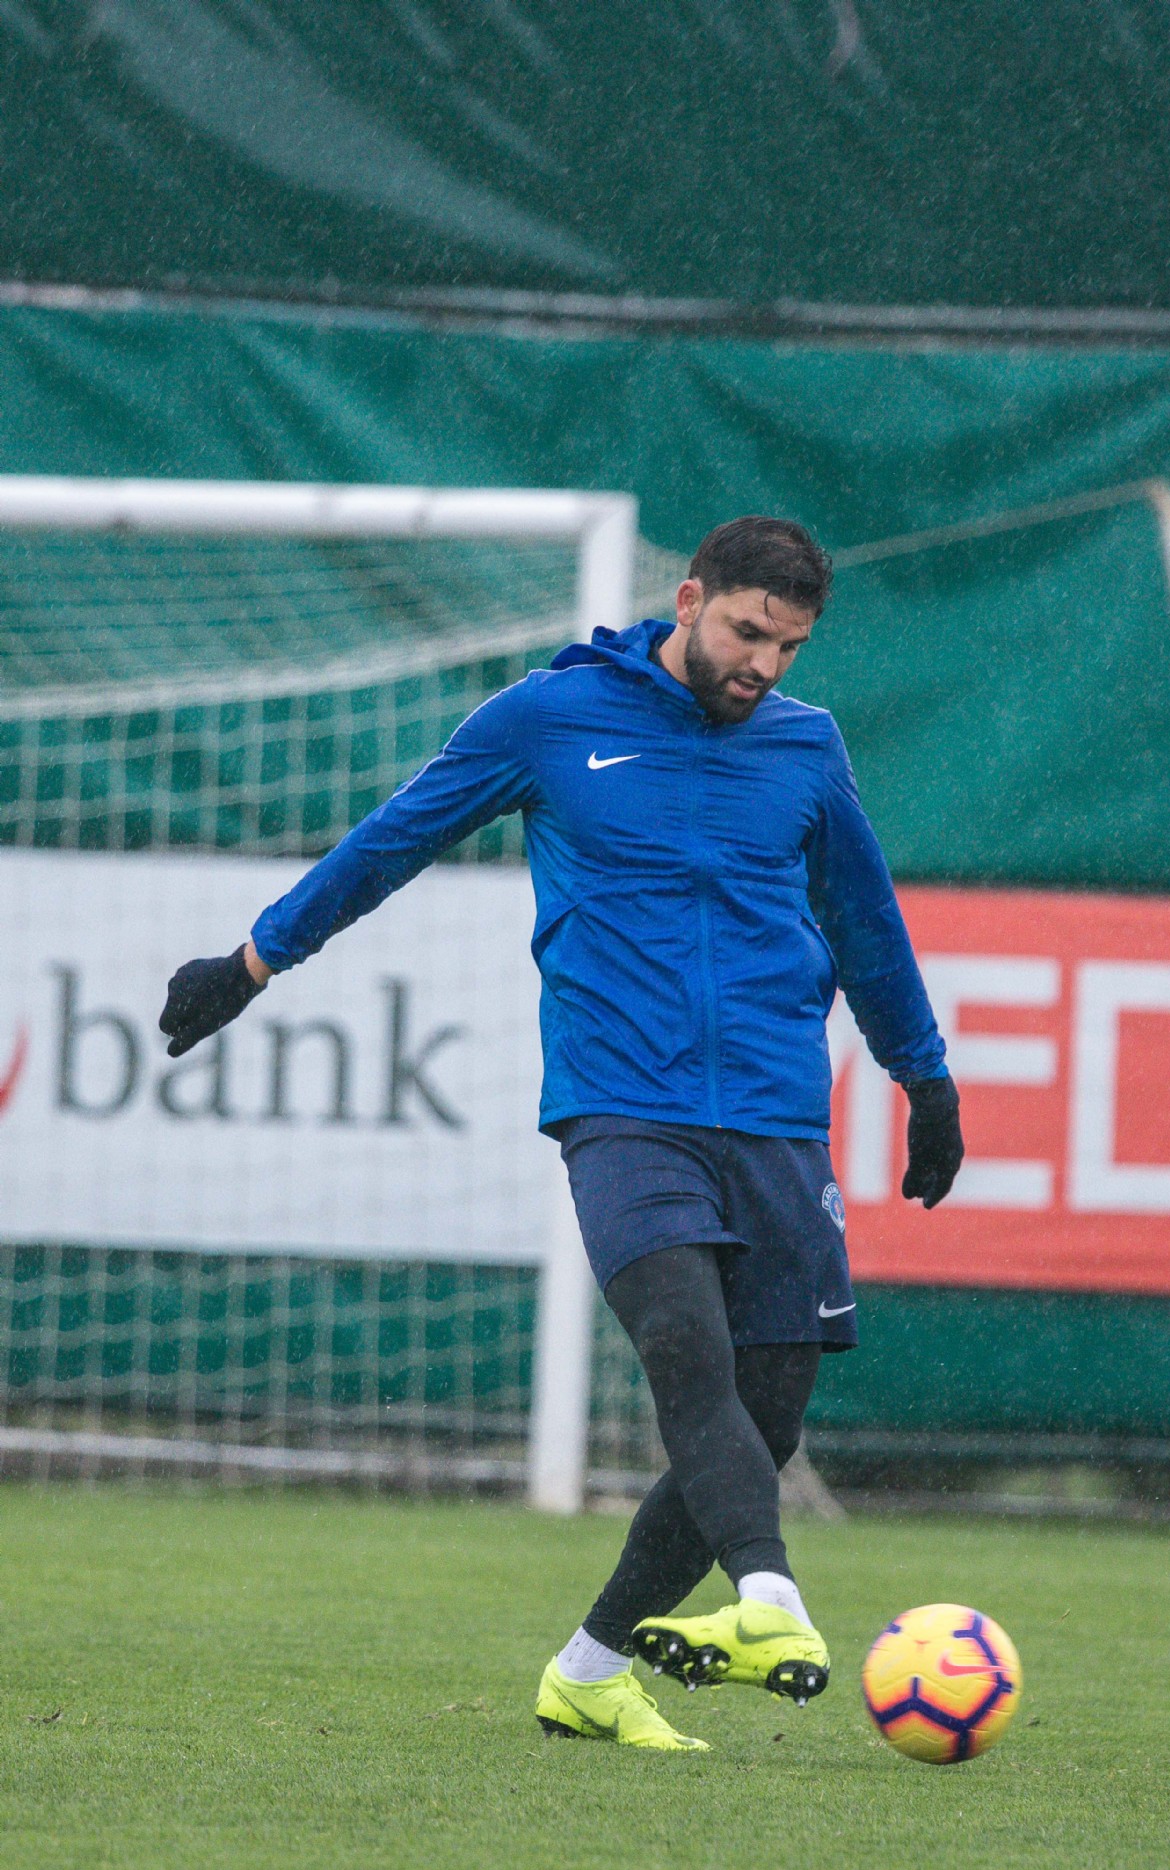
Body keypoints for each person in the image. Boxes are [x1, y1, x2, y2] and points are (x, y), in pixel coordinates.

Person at [159, 515, 963, 1754]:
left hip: (775, 1118)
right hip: (622, 1109)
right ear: (687, 601)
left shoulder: (806, 747)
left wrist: (925, 1077)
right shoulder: (549, 718)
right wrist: (252, 963)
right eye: (747, 633)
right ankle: (771, 1598)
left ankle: (589, 1671)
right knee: (684, 1352)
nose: (763, 666)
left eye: (789, 647)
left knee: (765, 1419)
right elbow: (388, 845)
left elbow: (864, 921)